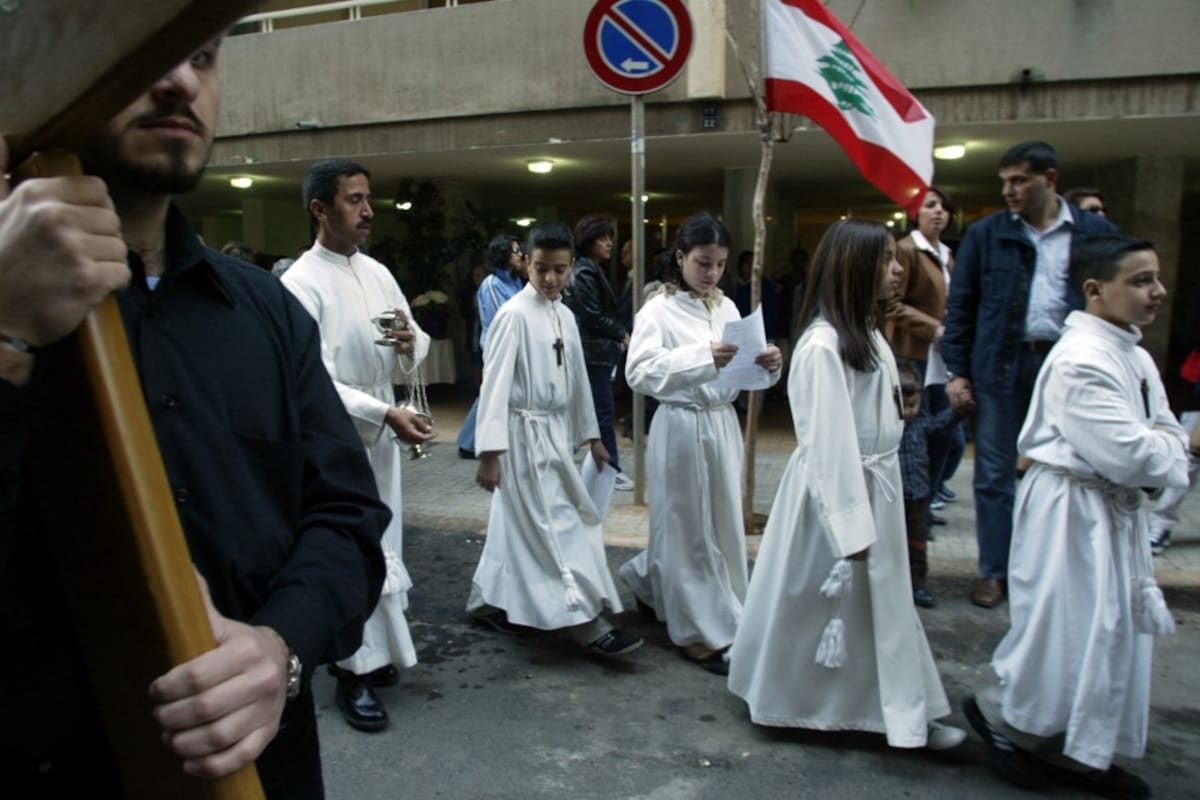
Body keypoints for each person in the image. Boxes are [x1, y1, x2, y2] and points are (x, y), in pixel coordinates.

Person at [1, 43, 389, 798]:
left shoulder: (266, 310)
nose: (180, 80)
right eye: (141, 51)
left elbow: (346, 515)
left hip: (263, 766)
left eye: (202, 55)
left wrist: (281, 648)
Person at [963, 234, 1187, 798]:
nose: (1156, 291)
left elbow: (1164, 434)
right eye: (1140, 280)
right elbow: (1134, 454)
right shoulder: (1082, 359)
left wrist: (1162, 444)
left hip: (1107, 510)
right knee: (1065, 632)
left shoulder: (1131, 352)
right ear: (1095, 290)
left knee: (1107, 634)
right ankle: (1011, 724)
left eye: (1155, 278)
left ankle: (1079, 747)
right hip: (1073, 512)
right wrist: (1166, 447)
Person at [729, 219, 964, 752]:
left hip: (874, 485)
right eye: (885, 260)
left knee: (882, 606)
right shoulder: (823, 346)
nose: (898, 268)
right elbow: (830, 445)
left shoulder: (868, 335)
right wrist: (850, 526)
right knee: (824, 605)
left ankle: (895, 706)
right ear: (852, 269)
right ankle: (804, 700)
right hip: (832, 501)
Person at [281, 158, 434, 734]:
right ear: (319, 209)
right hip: (338, 431)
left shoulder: (378, 272)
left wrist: (405, 341)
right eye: (353, 200)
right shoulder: (299, 283)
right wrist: (381, 412)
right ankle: (352, 669)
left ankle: (378, 653)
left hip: (381, 425)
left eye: (369, 199)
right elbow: (311, 380)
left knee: (385, 539)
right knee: (349, 546)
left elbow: (415, 340)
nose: (368, 211)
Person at [942, 141, 1118, 609]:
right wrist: (958, 370)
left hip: (1070, 369)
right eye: (1004, 181)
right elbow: (962, 306)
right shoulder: (986, 235)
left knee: (1071, 470)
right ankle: (995, 572)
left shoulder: (1095, 233)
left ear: (1050, 179)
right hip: (1001, 365)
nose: (1009, 190)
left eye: (1019, 180)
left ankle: (1059, 571)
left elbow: (1115, 305)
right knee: (995, 475)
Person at [467, 221, 642, 659]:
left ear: (571, 267)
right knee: (556, 526)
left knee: (519, 524)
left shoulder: (564, 314)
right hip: (522, 439)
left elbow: (579, 379)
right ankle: (585, 622)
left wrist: (593, 435)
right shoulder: (513, 316)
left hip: (555, 435)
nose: (550, 279)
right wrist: (490, 453)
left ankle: (485, 600)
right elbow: (495, 386)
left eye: (560, 270)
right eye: (542, 268)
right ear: (527, 262)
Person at [621, 213, 782, 675]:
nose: (711, 274)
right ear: (681, 258)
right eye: (703, 263)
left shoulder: (727, 308)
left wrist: (769, 363)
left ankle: (655, 583)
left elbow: (747, 373)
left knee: (722, 519)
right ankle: (697, 630)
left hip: (721, 423)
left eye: (720, 264)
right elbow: (639, 371)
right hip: (682, 423)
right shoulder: (658, 310)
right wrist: (700, 358)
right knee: (687, 527)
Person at [884, 187, 963, 525]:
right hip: (912, 354)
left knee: (948, 435)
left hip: (942, 359)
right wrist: (933, 328)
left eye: (944, 207)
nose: (938, 212)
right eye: (931, 205)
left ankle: (927, 501)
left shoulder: (946, 254)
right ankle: (914, 510)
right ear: (916, 212)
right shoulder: (906, 250)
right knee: (916, 436)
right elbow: (891, 303)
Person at [562, 214, 633, 490]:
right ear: (589, 242)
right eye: (602, 238)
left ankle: (599, 464)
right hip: (592, 352)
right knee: (601, 410)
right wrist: (621, 333)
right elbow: (592, 314)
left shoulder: (589, 268)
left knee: (594, 409)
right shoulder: (585, 271)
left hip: (593, 352)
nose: (609, 243)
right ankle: (610, 467)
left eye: (609, 238)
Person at [896, 362, 966, 608]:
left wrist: (956, 411)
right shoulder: (885, 429)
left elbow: (939, 426)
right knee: (893, 544)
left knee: (917, 543)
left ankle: (918, 585)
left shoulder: (920, 423)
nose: (908, 411)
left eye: (913, 405)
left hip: (918, 495)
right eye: (903, 405)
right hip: (893, 497)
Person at [456, 234, 525, 459]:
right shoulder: (492, 284)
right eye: (514, 251)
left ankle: (475, 441)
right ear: (503, 254)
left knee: (496, 392)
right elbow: (504, 316)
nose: (520, 254)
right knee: (492, 393)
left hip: (511, 343)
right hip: (497, 345)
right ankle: (468, 442)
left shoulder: (514, 281)